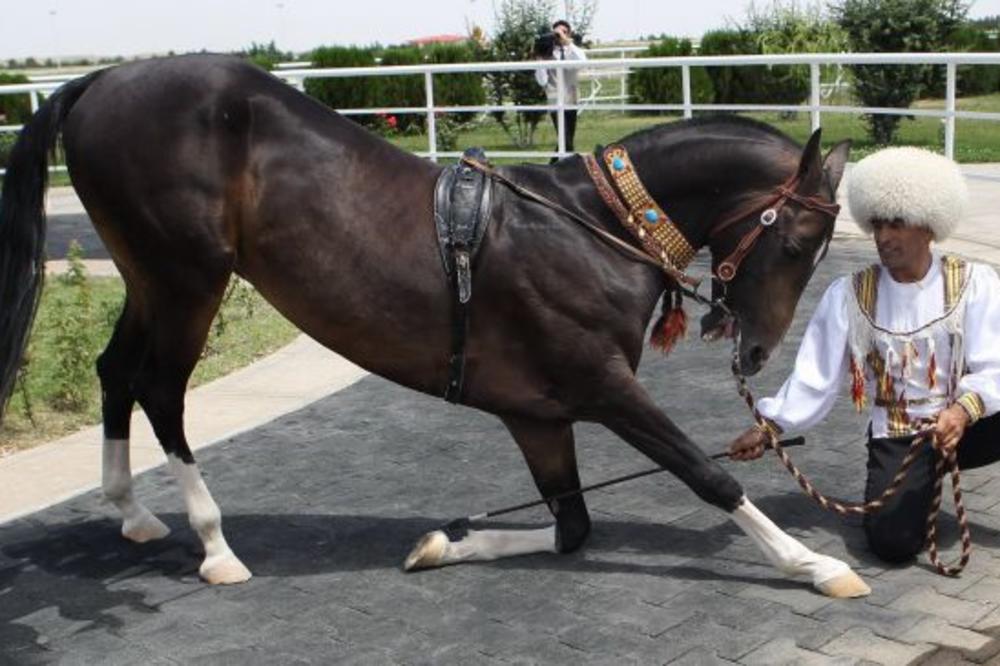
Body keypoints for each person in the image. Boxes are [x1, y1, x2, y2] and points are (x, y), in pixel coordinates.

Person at [727, 146, 1000, 564]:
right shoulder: (849, 296)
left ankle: (936, 468)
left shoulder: (974, 283)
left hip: (970, 422)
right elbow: (813, 377)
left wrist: (962, 412)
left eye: (897, 223)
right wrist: (770, 428)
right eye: (877, 225)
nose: (884, 237)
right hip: (900, 434)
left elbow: (994, 363)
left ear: (928, 226)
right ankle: (922, 477)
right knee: (892, 543)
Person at [534, 19, 587, 162]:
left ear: (569, 34)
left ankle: (552, 169)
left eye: (563, 32)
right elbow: (542, 81)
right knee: (566, 141)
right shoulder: (547, 52)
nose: (558, 36)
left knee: (567, 140)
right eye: (556, 32)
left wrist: (567, 42)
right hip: (555, 100)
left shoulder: (574, 51)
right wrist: (540, 61)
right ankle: (564, 170)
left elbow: (583, 62)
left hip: (572, 99)